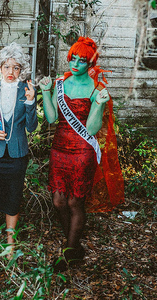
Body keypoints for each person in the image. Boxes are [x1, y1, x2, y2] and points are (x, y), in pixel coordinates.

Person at [38, 37, 123, 271]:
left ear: (90, 63)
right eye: (73, 58)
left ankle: (69, 251)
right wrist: (46, 92)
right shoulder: (60, 84)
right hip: (59, 147)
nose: (75, 63)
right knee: (58, 201)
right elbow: (52, 118)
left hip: (83, 149)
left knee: (75, 201)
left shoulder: (97, 89)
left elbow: (93, 129)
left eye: (82, 60)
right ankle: (74, 246)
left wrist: (99, 105)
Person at [0, 43, 38, 251]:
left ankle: (10, 243)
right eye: (6, 66)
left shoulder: (27, 91)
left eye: (16, 68)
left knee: (13, 197)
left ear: (21, 70)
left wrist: (30, 103)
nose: (10, 72)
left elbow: (31, 127)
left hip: (16, 155)